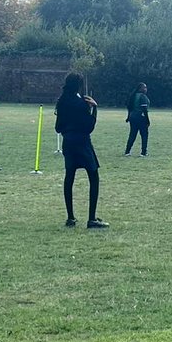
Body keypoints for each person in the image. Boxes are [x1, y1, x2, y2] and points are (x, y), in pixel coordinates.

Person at [55, 73, 108, 228]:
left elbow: (58, 127)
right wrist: (94, 108)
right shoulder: (82, 103)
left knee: (69, 177)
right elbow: (89, 127)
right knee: (93, 175)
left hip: (68, 143)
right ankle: (91, 218)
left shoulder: (62, 101)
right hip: (83, 142)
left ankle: (70, 217)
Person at [124, 82, 150, 157]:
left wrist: (128, 117)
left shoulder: (133, 96)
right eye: (144, 87)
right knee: (144, 135)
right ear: (140, 88)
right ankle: (143, 152)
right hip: (141, 118)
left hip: (133, 117)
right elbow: (144, 109)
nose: (146, 89)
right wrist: (147, 120)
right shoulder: (143, 97)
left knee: (132, 134)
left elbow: (129, 108)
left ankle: (127, 151)